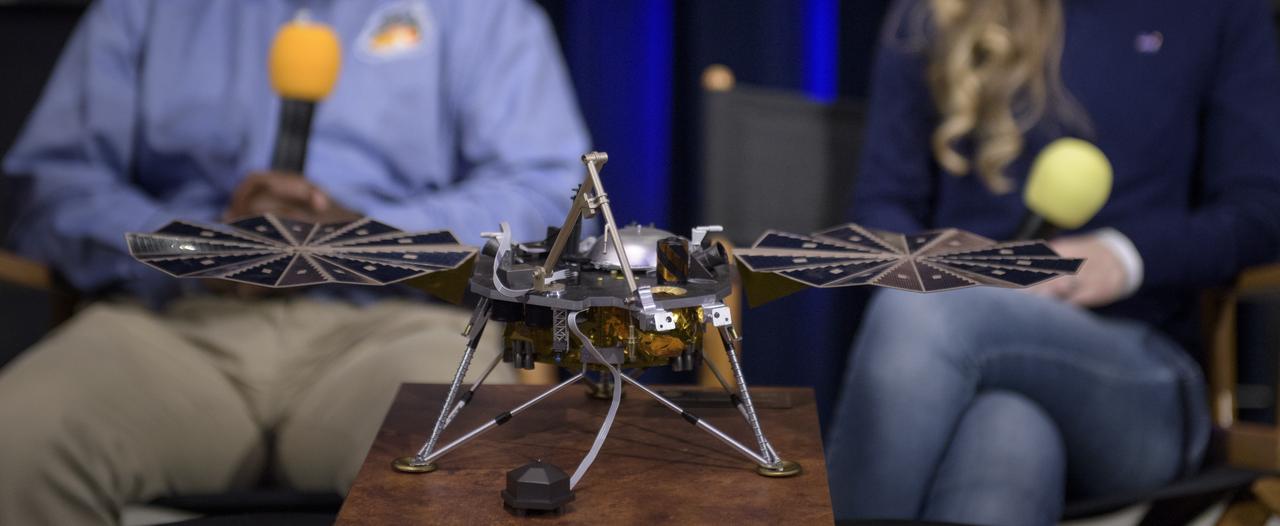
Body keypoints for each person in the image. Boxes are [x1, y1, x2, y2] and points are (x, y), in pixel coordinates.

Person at [0, 0, 588, 524]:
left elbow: (549, 197)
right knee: (16, 439)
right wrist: (202, 247)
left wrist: (368, 234)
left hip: (400, 325)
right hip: (177, 322)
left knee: (465, 459)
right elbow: (53, 187)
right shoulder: (141, 10)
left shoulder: (485, 13)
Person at [826, 0, 1280, 524]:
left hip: (1137, 372)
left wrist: (1124, 256)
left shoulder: (1220, 12)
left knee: (922, 312)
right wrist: (941, 259)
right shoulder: (935, 12)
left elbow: (1260, 213)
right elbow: (881, 208)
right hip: (968, 368)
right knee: (1008, 432)